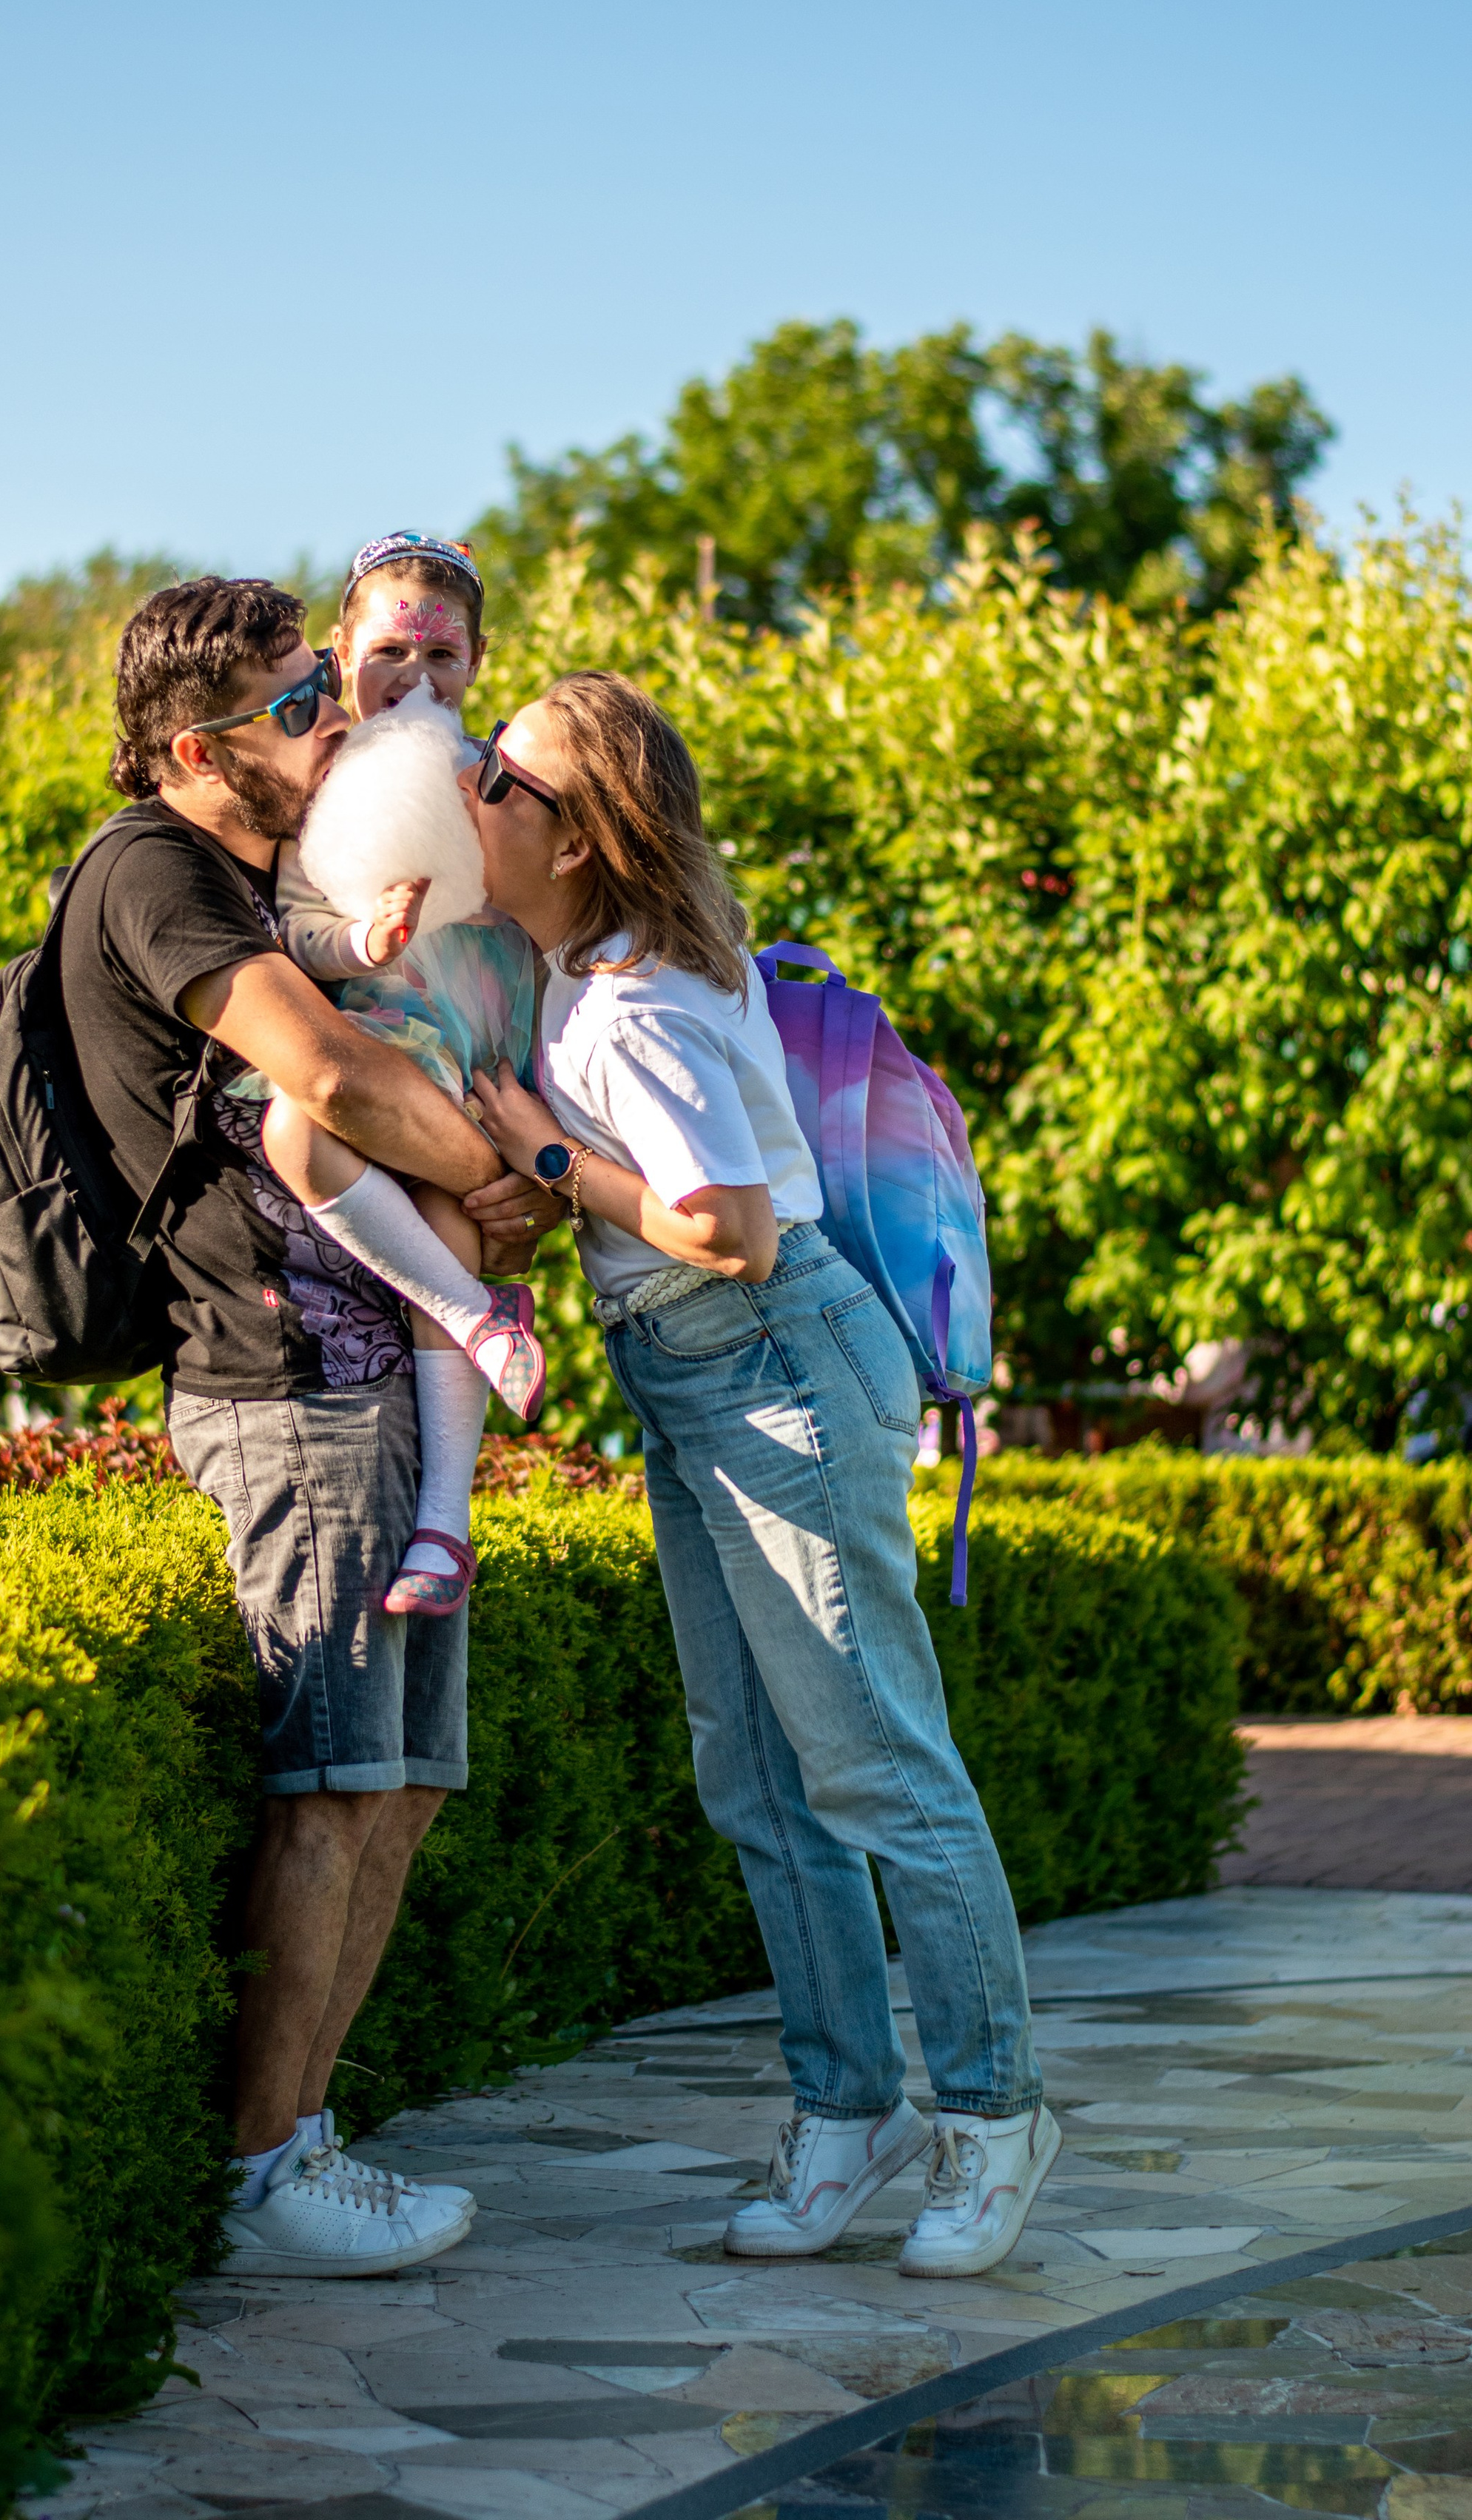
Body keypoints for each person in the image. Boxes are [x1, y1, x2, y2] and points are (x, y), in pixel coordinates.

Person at [463, 668, 1061, 2282]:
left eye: (501, 778)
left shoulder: (635, 1007)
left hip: (770, 1360)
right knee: (759, 1781)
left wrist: (542, 1154)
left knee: (876, 1768)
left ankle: (994, 2115)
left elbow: (722, 1227)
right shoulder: (571, 966)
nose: (470, 787)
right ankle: (847, 2111)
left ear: (577, 840)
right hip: (695, 1379)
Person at [53, 572, 552, 2279]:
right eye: (293, 704)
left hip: (374, 1371)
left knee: (396, 1788)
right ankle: (263, 2173)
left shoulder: (268, 878)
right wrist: (506, 1179)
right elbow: (327, 1079)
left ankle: (307, 2136)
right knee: (331, 1790)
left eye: (320, 687)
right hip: (283, 1382)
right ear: (194, 748)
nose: (331, 720)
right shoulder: (153, 873)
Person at [258, 531, 545, 1617]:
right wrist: (359, 944)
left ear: (477, 662)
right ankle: (476, 1316)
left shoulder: (502, 777)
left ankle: (445, 1525)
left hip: (483, 1038)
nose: (415, 676)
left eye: (442, 657)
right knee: (298, 1127)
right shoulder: (314, 784)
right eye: (389, 651)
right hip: (380, 1029)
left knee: (450, 1205)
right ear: (340, 655)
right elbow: (297, 924)